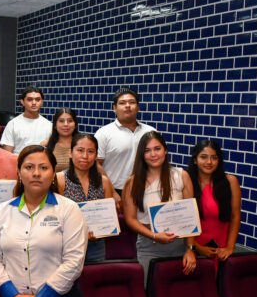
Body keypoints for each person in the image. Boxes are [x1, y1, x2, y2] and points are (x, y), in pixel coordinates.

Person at [0, 145, 88, 297]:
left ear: (53, 174)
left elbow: (74, 261)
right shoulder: (2, 211)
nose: (36, 173)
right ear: (19, 172)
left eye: (43, 168)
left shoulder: (69, 209)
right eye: (29, 167)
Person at [122, 131, 196, 280]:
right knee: (150, 290)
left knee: (175, 291)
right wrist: (154, 235)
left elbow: (191, 216)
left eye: (157, 148)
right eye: (147, 150)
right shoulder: (133, 182)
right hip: (149, 245)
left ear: (165, 150)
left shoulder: (181, 175)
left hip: (179, 245)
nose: (153, 154)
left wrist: (190, 249)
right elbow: (130, 219)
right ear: (141, 154)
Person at [55, 134, 115, 262]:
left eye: (91, 151)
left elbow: (109, 218)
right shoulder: (60, 179)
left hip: (96, 246)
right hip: (68, 245)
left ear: (96, 155)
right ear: (70, 153)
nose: (85, 156)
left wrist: (102, 230)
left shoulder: (104, 182)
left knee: (93, 279)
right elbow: (55, 216)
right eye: (80, 150)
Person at [186, 140, 241, 264]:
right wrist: (196, 247)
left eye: (214, 158)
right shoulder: (186, 182)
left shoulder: (230, 182)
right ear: (195, 160)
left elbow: (235, 216)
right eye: (203, 157)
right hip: (193, 249)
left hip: (221, 249)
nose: (209, 162)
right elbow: (180, 222)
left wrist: (229, 247)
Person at [95, 88, 155, 200]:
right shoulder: (103, 133)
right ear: (114, 108)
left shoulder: (150, 132)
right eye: (122, 103)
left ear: (138, 107)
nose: (127, 106)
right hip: (114, 190)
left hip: (145, 189)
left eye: (132, 102)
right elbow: (96, 164)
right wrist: (112, 191)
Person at [1, 86, 52, 154]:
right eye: (29, 99)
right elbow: (6, 155)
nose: (34, 103)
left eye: (37, 99)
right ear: (22, 102)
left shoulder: (49, 125)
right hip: (17, 163)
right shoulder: (13, 124)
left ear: (42, 102)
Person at [41, 108, 78, 172]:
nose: (66, 124)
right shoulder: (46, 145)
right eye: (61, 121)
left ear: (75, 125)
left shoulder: (83, 144)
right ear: (55, 125)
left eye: (70, 121)